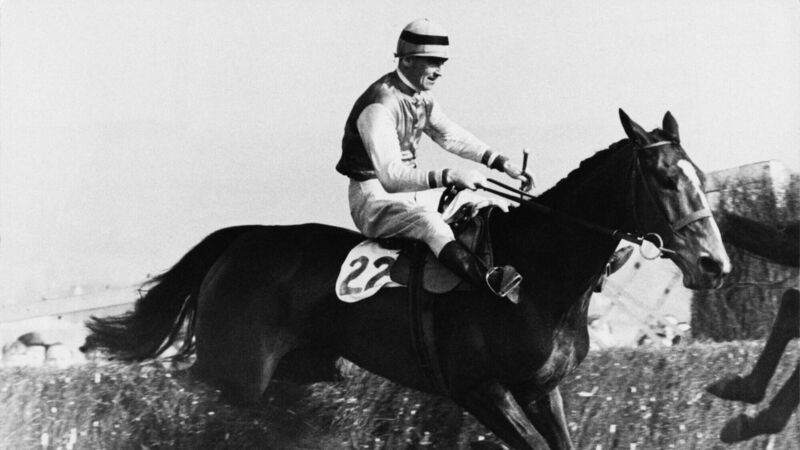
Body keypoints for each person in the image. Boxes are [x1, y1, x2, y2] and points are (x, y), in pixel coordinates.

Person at [336, 18, 533, 301]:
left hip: (411, 193)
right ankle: (488, 282)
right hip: (373, 198)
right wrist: (449, 175)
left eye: (442, 63)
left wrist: (501, 162)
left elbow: (449, 135)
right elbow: (391, 178)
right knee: (431, 225)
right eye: (432, 62)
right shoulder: (379, 106)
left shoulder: (421, 98)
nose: (440, 71)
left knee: (490, 205)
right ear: (405, 62)